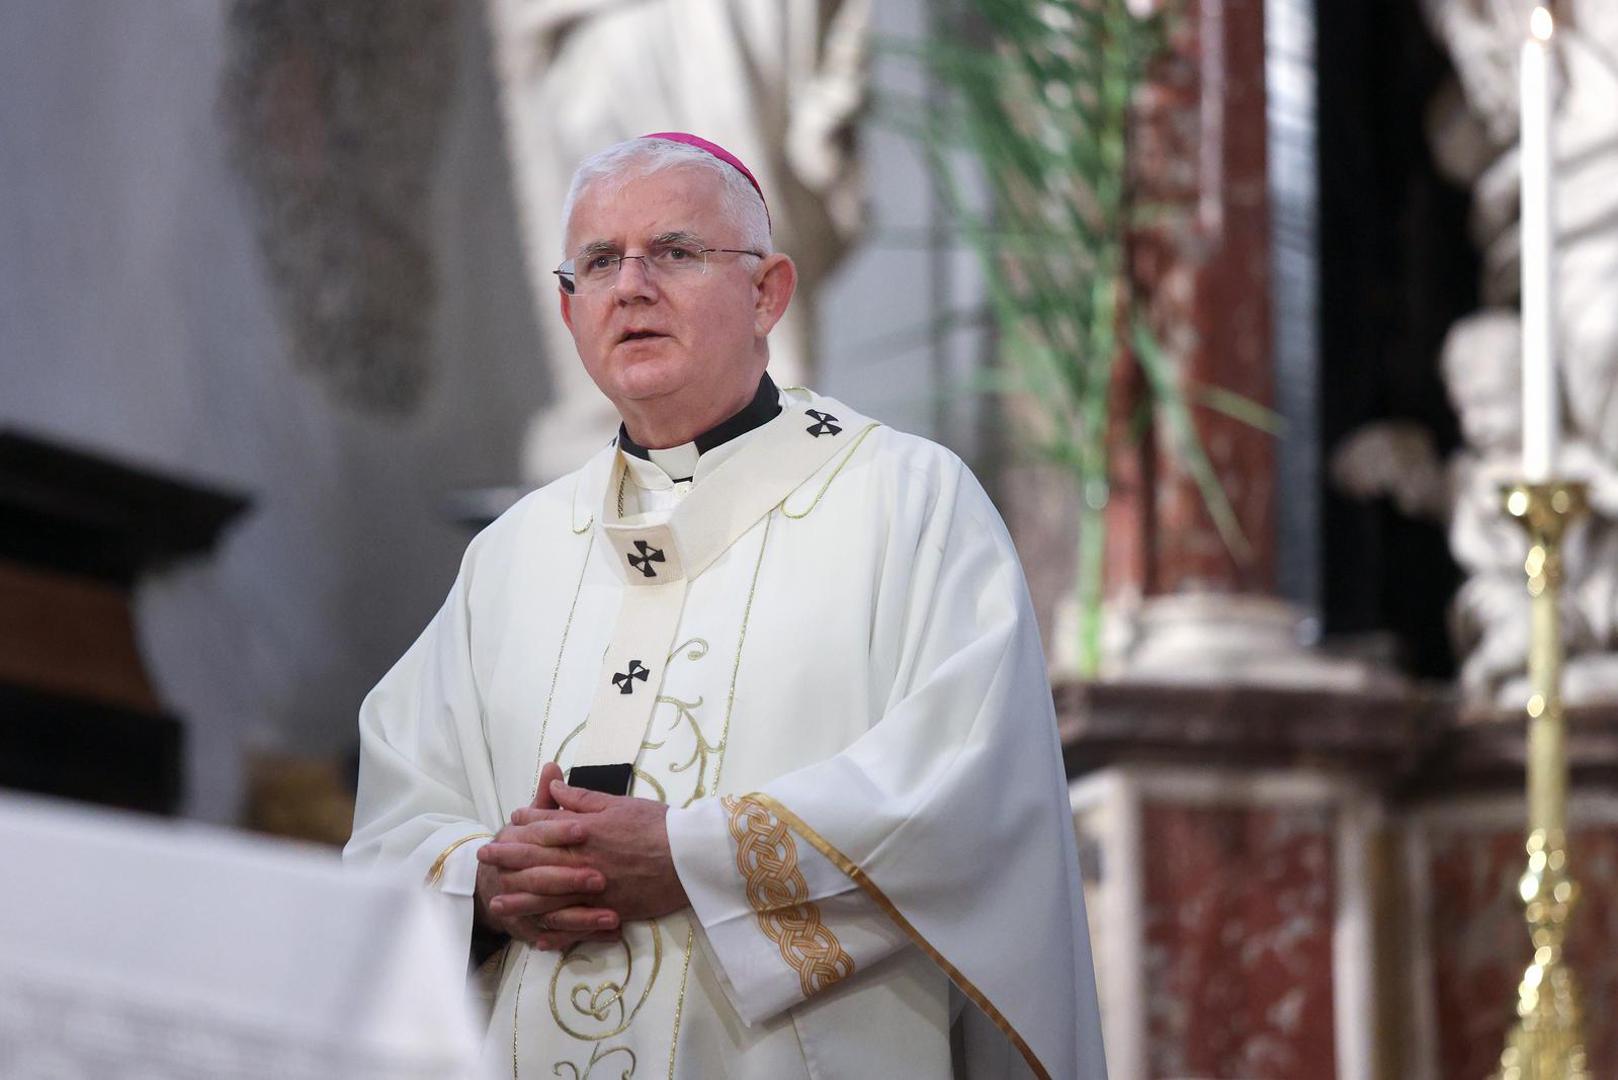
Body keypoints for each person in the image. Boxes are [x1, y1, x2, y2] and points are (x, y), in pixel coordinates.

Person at [345, 133, 1107, 1080]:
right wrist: (485, 884)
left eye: (673, 251)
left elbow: (966, 792)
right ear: (569, 308)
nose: (631, 286)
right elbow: (390, 833)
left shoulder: (908, 501)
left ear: (767, 294)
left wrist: (693, 857)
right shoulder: (510, 557)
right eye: (599, 262)